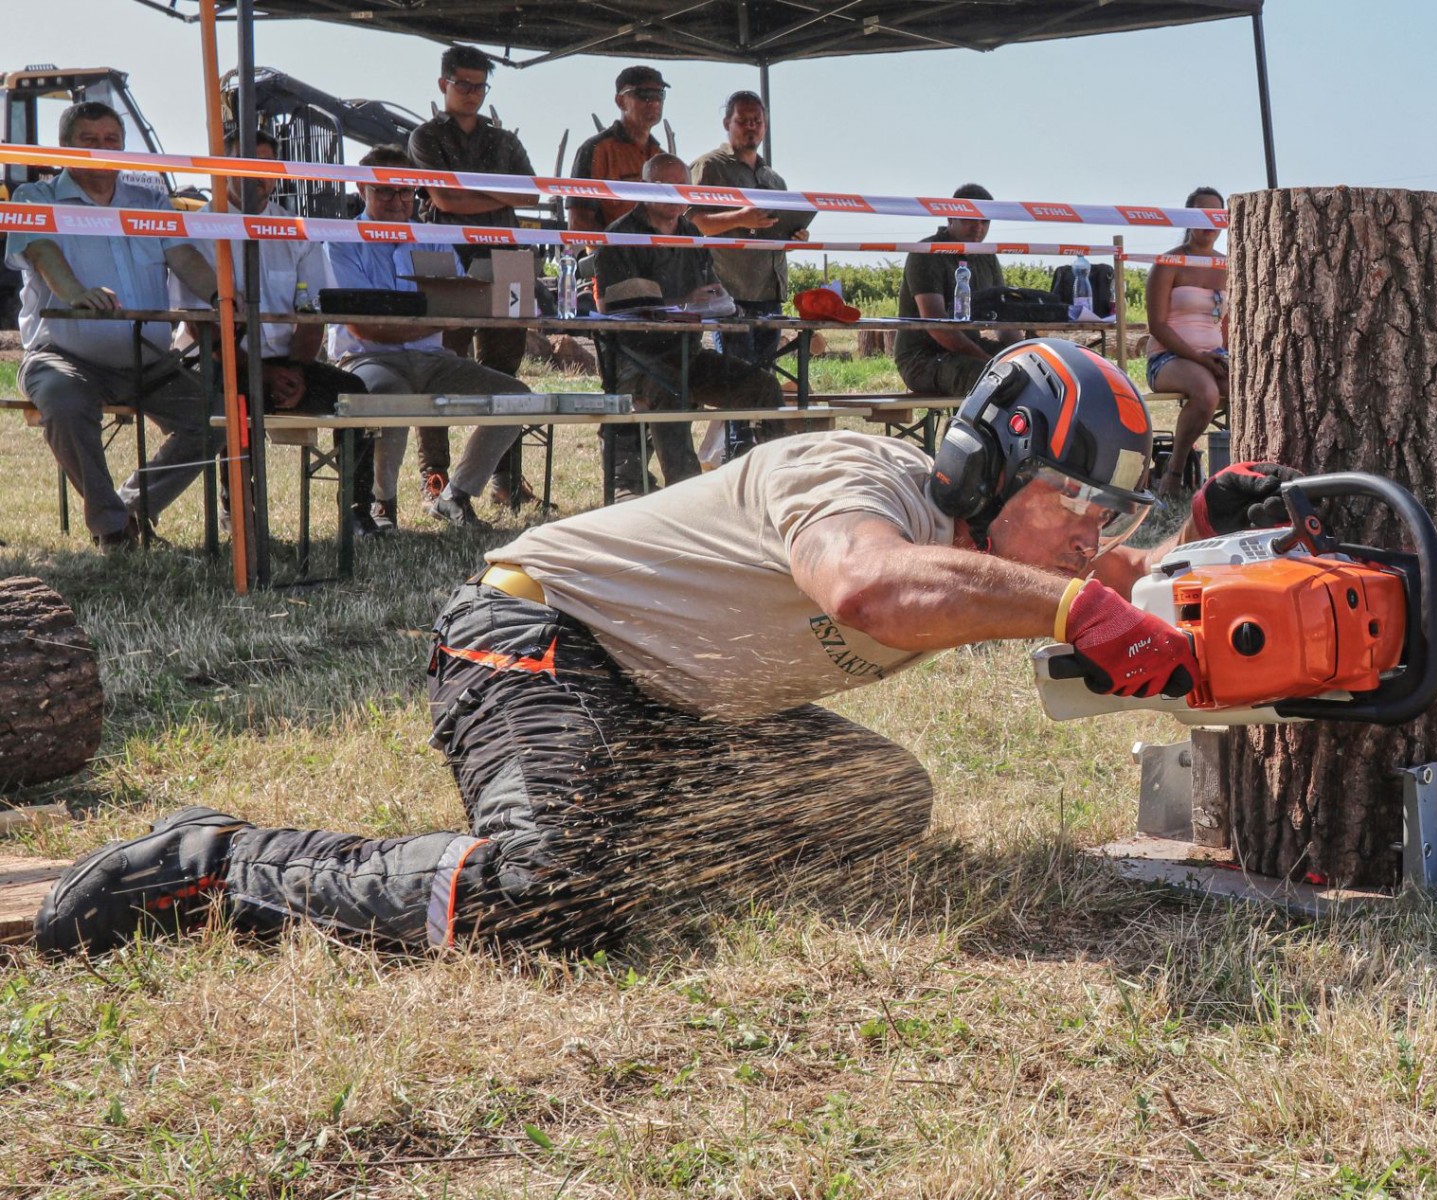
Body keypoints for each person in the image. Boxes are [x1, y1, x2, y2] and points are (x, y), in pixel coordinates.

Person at [34, 338, 1299, 959]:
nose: (1092, 538)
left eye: (1109, 513)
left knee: (879, 799)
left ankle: (605, 832)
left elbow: (1114, 590)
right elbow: (867, 590)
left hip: (675, 702)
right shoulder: (854, 476)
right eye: (1079, 503)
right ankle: (209, 864)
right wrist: (1079, 608)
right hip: (531, 639)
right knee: (550, 900)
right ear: (994, 461)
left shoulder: (1019, 547)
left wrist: (1196, 544)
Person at [4, 101, 221, 547]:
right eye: (90, 141)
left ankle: (131, 508)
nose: (103, 150)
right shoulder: (35, 199)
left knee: (217, 417)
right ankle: (113, 529)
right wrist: (74, 292)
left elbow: (184, 258)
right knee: (63, 402)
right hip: (64, 357)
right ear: (66, 149)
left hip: (151, 363)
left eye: (112, 141)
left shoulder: (152, 202)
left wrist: (224, 297)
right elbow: (43, 252)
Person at [174, 128, 381, 535]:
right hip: (224, 361)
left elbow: (312, 312)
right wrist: (262, 374)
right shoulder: (200, 228)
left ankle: (355, 509)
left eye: (267, 167)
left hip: (290, 362)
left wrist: (298, 372)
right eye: (247, 166)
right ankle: (239, 510)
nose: (258, 177)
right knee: (233, 400)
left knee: (354, 394)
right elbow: (201, 326)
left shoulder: (295, 229)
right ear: (224, 167)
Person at [325, 145, 526, 530]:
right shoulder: (341, 242)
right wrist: (436, 322)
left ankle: (455, 495)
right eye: (385, 190)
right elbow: (364, 327)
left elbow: (458, 307)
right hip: (367, 360)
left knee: (518, 398)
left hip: (433, 360)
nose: (398, 200)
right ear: (360, 187)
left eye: (406, 191)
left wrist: (440, 318)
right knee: (388, 399)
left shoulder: (432, 238)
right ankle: (381, 503)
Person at [594, 153, 781, 493]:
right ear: (645, 189)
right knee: (672, 389)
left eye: (681, 186)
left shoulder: (692, 233)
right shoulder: (620, 237)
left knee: (764, 388)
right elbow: (616, 310)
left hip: (688, 354)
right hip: (636, 360)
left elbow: (708, 291)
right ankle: (685, 493)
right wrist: (682, 303)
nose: (674, 194)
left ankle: (769, 483)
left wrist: (722, 303)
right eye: (665, 186)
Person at [407, 44, 541, 512]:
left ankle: (503, 478)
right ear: (444, 84)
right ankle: (434, 478)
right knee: (440, 365)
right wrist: (494, 194)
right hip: (449, 257)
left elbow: (528, 196)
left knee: (507, 368)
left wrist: (471, 193)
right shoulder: (424, 136)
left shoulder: (504, 139)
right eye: (463, 84)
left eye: (480, 85)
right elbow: (444, 202)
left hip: (506, 257)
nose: (472, 93)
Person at [687, 90, 813, 365]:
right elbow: (691, 225)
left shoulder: (774, 179)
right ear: (727, 124)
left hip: (769, 292)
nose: (751, 127)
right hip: (730, 292)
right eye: (743, 121)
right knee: (737, 373)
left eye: (757, 121)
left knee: (764, 372)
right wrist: (738, 219)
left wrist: (795, 235)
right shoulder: (709, 167)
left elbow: (774, 229)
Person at [894, 183, 1020, 398]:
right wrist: (988, 361)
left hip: (967, 351)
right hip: (922, 358)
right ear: (950, 217)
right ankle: (972, 430)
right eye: (970, 219)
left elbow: (1003, 317)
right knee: (988, 379)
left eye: (984, 221)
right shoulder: (926, 252)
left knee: (1029, 371)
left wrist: (1022, 352)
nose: (978, 227)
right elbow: (935, 324)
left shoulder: (986, 256)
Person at [1144, 186, 1229, 496]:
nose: (1209, 223)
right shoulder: (1169, 263)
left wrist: (1227, 359)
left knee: (1247, 391)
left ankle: (1236, 473)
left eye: (1216, 215)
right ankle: (1174, 473)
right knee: (1205, 392)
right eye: (1200, 215)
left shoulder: (1227, 265)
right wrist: (1198, 357)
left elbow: (1228, 326)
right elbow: (1158, 325)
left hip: (1214, 355)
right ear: (1187, 219)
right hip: (1169, 357)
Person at [566, 65, 668, 233]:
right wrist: (620, 250)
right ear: (620, 101)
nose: (655, 102)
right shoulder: (596, 150)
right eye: (644, 95)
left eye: (659, 95)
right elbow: (579, 222)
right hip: (607, 255)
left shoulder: (661, 157)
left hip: (655, 255)